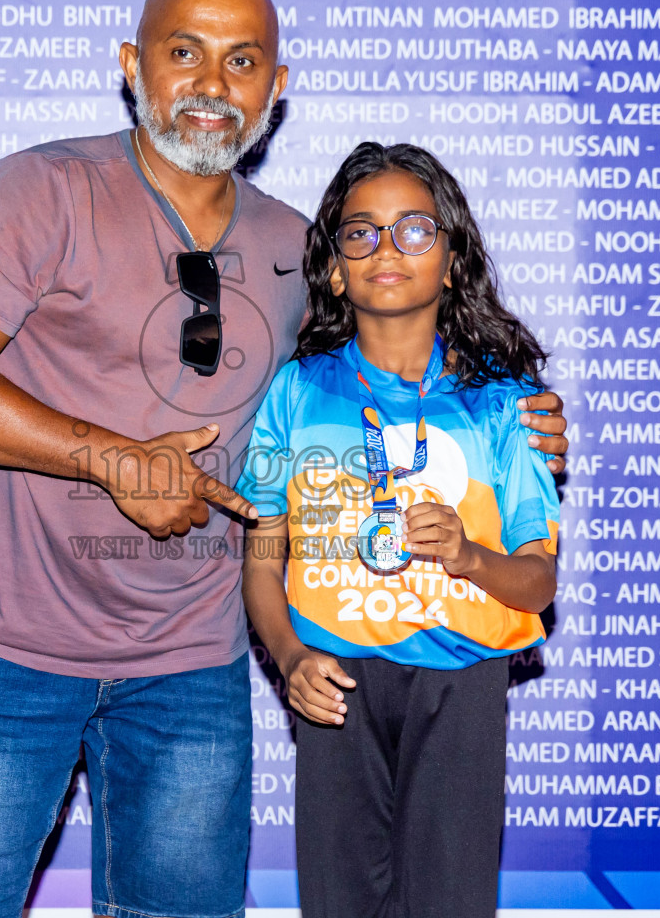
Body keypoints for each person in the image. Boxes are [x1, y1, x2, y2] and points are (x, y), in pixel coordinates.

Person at [0, 0, 570, 918]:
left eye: (242, 61)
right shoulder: (37, 191)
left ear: (275, 89)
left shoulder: (303, 249)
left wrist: (516, 418)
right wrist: (110, 456)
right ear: (133, 66)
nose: (212, 84)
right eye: (184, 53)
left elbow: (382, 371)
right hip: (7, 650)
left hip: (192, 669)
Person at [237, 142, 559, 918]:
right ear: (335, 268)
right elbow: (261, 560)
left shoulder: (505, 405)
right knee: (340, 900)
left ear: (451, 260)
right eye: (361, 233)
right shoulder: (296, 391)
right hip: (335, 682)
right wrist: (289, 657)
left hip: (460, 680)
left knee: (450, 898)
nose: (387, 249)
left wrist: (469, 553)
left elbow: (539, 582)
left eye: (414, 230)